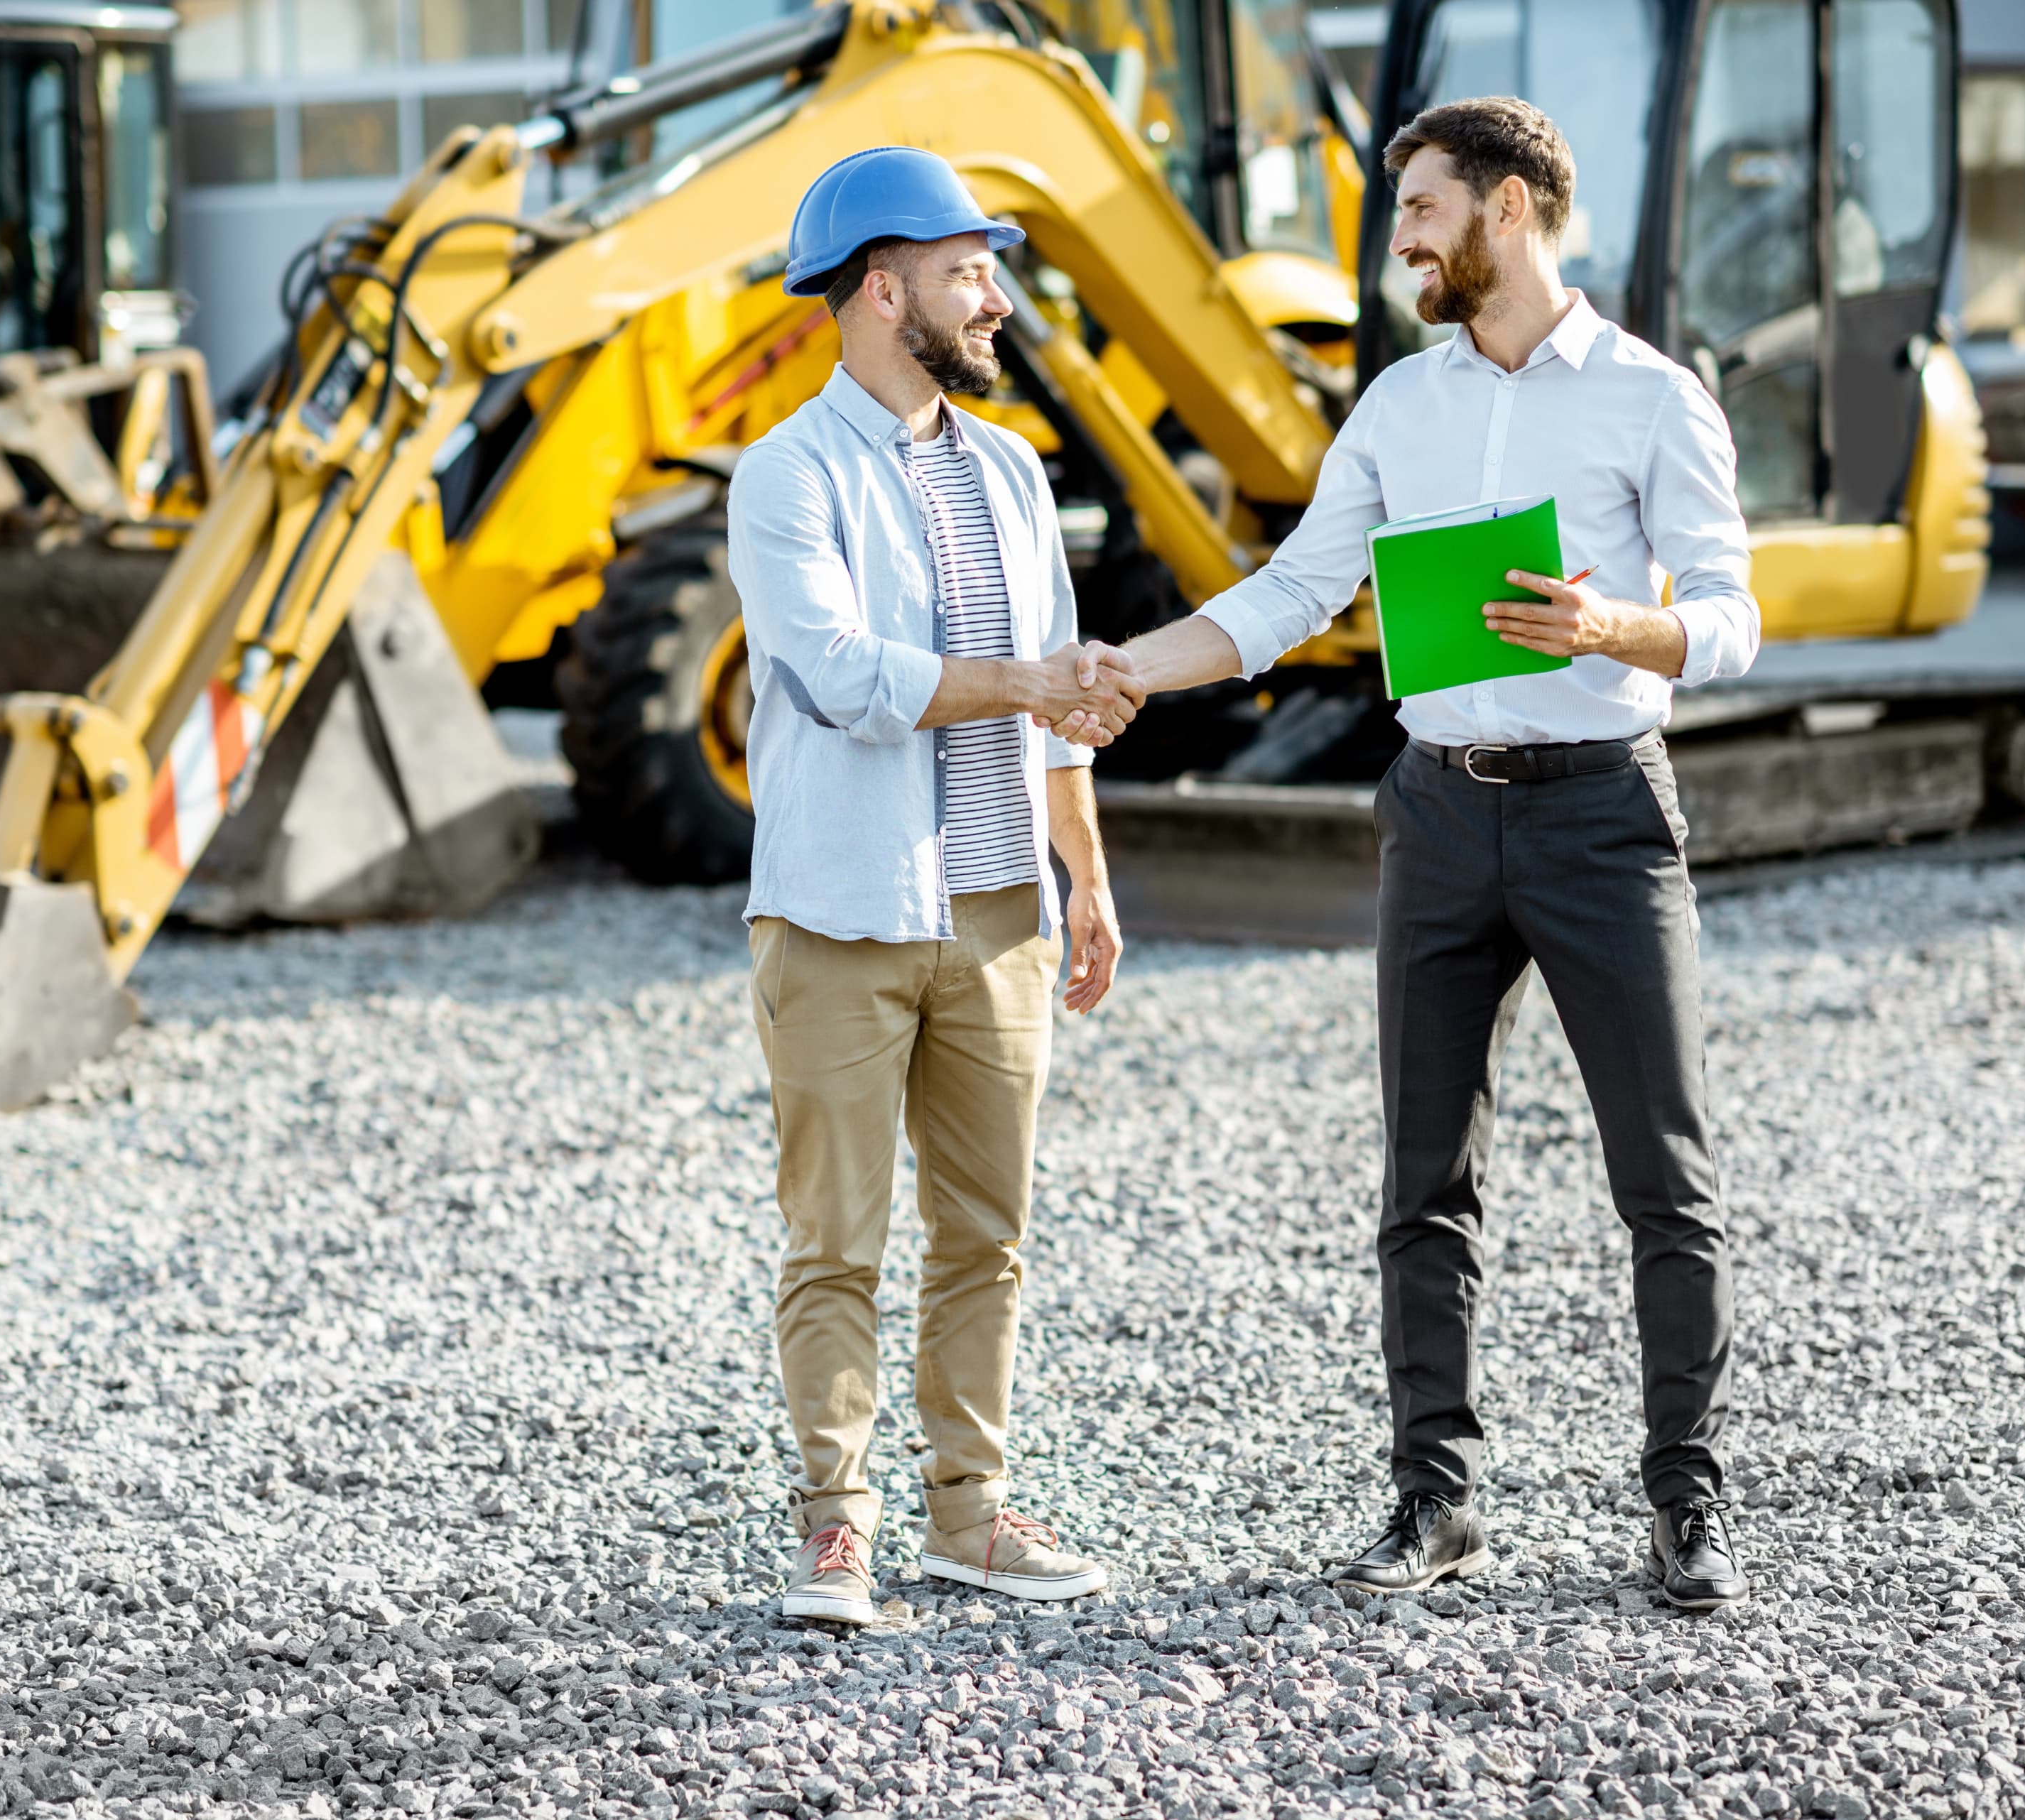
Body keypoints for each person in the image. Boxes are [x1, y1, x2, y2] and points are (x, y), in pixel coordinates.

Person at [1102, 98, 1758, 1609]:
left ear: (1513, 208)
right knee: (1423, 1180)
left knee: (1666, 1176)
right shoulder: (1399, 405)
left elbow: (1733, 615)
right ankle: (1435, 1501)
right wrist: (1128, 666)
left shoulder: (1656, 398)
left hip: (1604, 808)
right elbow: (1287, 594)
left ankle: (1691, 1508)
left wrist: (1614, 625)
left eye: (1423, 208)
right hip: (1440, 809)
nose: (1400, 237)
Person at [729, 146, 1140, 1628]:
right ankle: (835, 1529)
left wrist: (1084, 878)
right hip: (841, 912)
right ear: (880, 286)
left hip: (997, 914)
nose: (996, 295)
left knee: (988, 1233)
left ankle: (969, 1514)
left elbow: (1059, 705)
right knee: (835, 1237)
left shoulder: (1016, 471)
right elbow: (841, 679)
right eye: (970, 269)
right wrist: (1032, 681)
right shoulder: (785, 476)